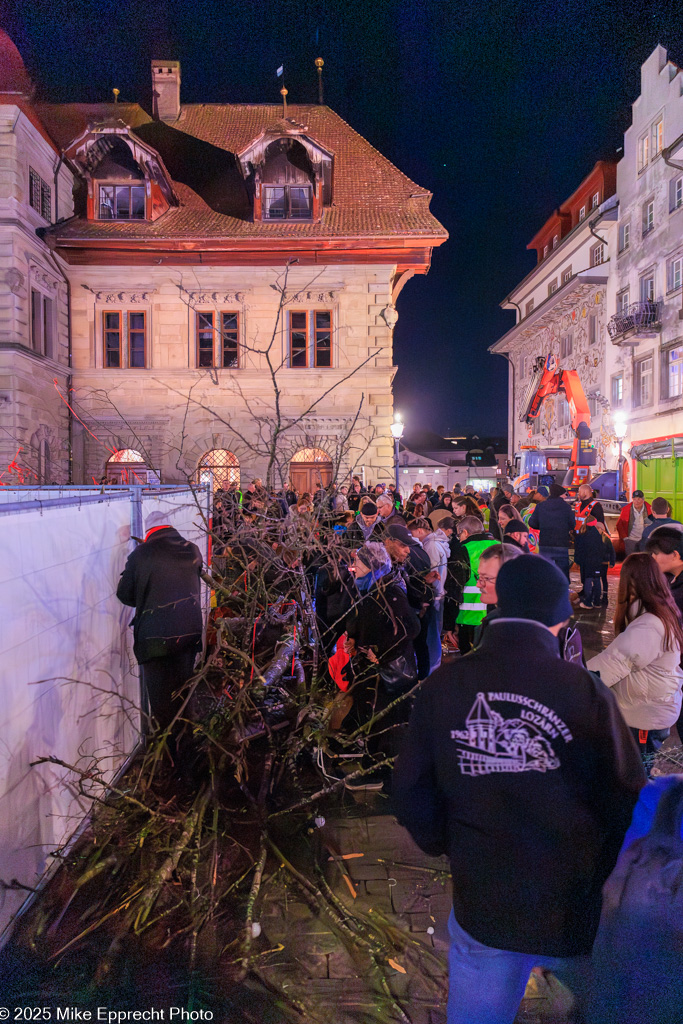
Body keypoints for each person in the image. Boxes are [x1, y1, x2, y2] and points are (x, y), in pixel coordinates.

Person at [393, 555, 645, 1024]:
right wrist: (604, 864)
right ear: (560, 616)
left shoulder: (445, 684)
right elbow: (626, 792)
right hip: (571, 901)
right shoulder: (583, 690)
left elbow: (408, 787)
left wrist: (450, 842)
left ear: (498, 602)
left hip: (484, 896)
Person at [116, 511, 204, 771]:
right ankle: (188, 755)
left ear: (148, 532)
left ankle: (167, 762)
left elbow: (124, 594)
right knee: (184, 694)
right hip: (188, 636)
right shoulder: (192, 549)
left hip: (154, 640)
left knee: (161, 703)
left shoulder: (141, 554)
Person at [587, 553, 683, 760]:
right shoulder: (660, 610)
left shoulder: (648, 625)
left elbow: (613, 663)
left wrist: (577, 678)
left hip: (645, 714)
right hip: (653, 705)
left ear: (630, 581)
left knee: (637, 772)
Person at [343, 543, 420, 786]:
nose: (354, 569)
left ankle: (379, 773)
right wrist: (353, 636)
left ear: (374, 567)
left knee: (385, 723)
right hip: (375, 671)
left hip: (390, 674)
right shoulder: (369, 588)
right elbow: (362, 618)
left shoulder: (389, 592)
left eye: (360, 565)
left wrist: (382, 654)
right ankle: (371, 767)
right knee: (374, 718)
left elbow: (411, 628)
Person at [384, 523, 436, 681]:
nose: (408, 550)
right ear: (387, 542)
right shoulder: (380, 570)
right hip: (393, 642)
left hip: (412, 623)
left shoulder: (400, 566)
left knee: (420, 650)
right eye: (402, 545)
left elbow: (407, 589)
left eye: (408, 545)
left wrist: (423, 589)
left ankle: (421, 682)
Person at [454, 515, 498, 654]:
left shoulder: (463, 549)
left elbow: (455, 584)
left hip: (468, 615)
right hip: (495, 612)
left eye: (459, 534)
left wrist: (449, 623)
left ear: (465, 532)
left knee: (469, 658)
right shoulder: (499, 545)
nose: (458, 537)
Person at [528, 482, 575, 579]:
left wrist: (542, 526)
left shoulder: (541, 506)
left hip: (545, 543)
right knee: (562, 572)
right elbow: (572, 524)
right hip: (561, 544)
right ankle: (562, 590)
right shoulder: (566, 507)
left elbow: (532, 523)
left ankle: (546, 590)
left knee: (545, 570)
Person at [574, 515, 605, 609]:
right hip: (597, 562)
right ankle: (597, 602)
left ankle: (588, 602)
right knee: (597, 580)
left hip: (587, 562)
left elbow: (579, 550)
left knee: (588, 580)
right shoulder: (597, 535)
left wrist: (577, 561)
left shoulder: (582, 535)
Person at [616, 489, 652, 558]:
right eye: (634, 499)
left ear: (643, 499)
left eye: (639, 499)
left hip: (645, 541)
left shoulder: (649, 509)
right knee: (631, 561)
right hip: (631, 540)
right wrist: (626, 538)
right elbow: (619, 525)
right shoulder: (626, 509)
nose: (636, 502)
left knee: (644, 560)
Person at [596, 520, 616, 605]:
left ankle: (604, 595)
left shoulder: (606, 539)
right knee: (597, 578)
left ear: (601, 529)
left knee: (603, 578)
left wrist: (612, 562)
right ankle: (597, 593)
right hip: (597, 562)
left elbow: (612, 551)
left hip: (603, 562)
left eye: (597, 528)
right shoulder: (595, 538)